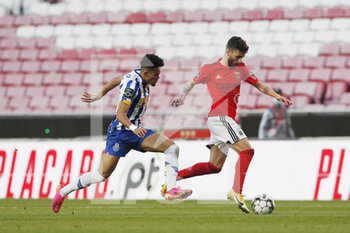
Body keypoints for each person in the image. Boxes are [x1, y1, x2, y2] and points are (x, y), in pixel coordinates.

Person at [52, 54, 192, 213]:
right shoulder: (132, 86)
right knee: (101, 175)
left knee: (171, 148)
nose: (158, 78)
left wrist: (99, 94)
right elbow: (120, 114)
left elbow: (116, 80)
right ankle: (63, 191)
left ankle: (171, 189)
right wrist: (133, 128)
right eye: (156, 75)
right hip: (121, 132)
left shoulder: (138, 75)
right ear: (146, 74)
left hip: (136, 131)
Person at [167, 36, 292, 213]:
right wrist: (182, 97)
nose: (240, 60)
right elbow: (191, 82)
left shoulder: (241, 69)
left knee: (214, 166)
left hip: (222, 120)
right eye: (238, 56)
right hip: (220, 117)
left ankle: (175, 177)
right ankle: (236, 191)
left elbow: (260, 85)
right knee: (247, 150)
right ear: (228, 51)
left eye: (242, 57)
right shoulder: (209, 69)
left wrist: (276, 96)